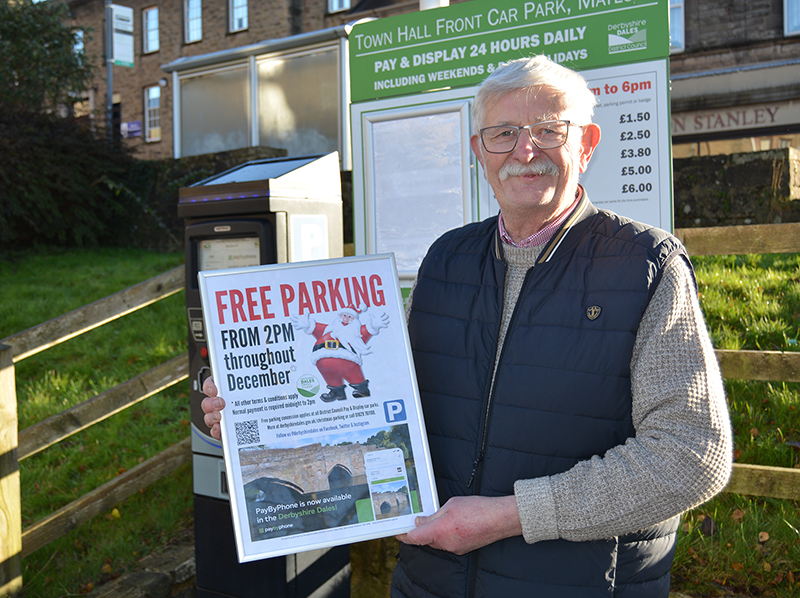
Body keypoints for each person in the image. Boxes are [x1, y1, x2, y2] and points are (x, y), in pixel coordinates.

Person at [202, 55, 733, 597]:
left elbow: (691, 456)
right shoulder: (446, 260)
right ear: (480, 151)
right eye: (503, 134)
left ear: (587, 143)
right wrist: (263, 410)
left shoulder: (645, 265)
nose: (525, 152)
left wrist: (511, 515)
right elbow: (385, 401)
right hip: (430, 581)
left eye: (549, 131)